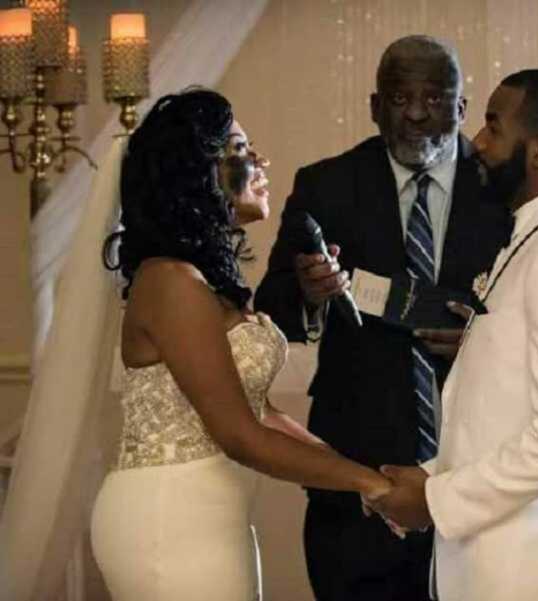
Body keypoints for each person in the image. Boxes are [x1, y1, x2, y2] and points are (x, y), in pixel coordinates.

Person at [89, 89, 391, 601]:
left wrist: (358, 475)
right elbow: (240, 434)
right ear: (197, 172)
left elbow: (260, 411)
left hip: (212, 513)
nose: (260, 161)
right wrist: (373, 485)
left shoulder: (201, 281)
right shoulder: (170, 282)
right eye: (239, 150)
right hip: (168, 518)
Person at [255, 36, 511, 600]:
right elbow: (270, 311)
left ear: (462, 109)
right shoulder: (326, 186)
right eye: (400, 98)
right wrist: (309, 294)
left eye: (436, 99)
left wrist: (484, 338)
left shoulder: (506, 190)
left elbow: (537, 317)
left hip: (479, 471)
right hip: (355, 475)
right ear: (375, 107)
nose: (417, 113)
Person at [370, 69, 538, 601]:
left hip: (534, 572)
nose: (477, 143)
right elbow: (506, 414)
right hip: (497, 564)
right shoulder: (534, 238)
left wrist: (439, 500)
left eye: (492, 126)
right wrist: (426, 481)